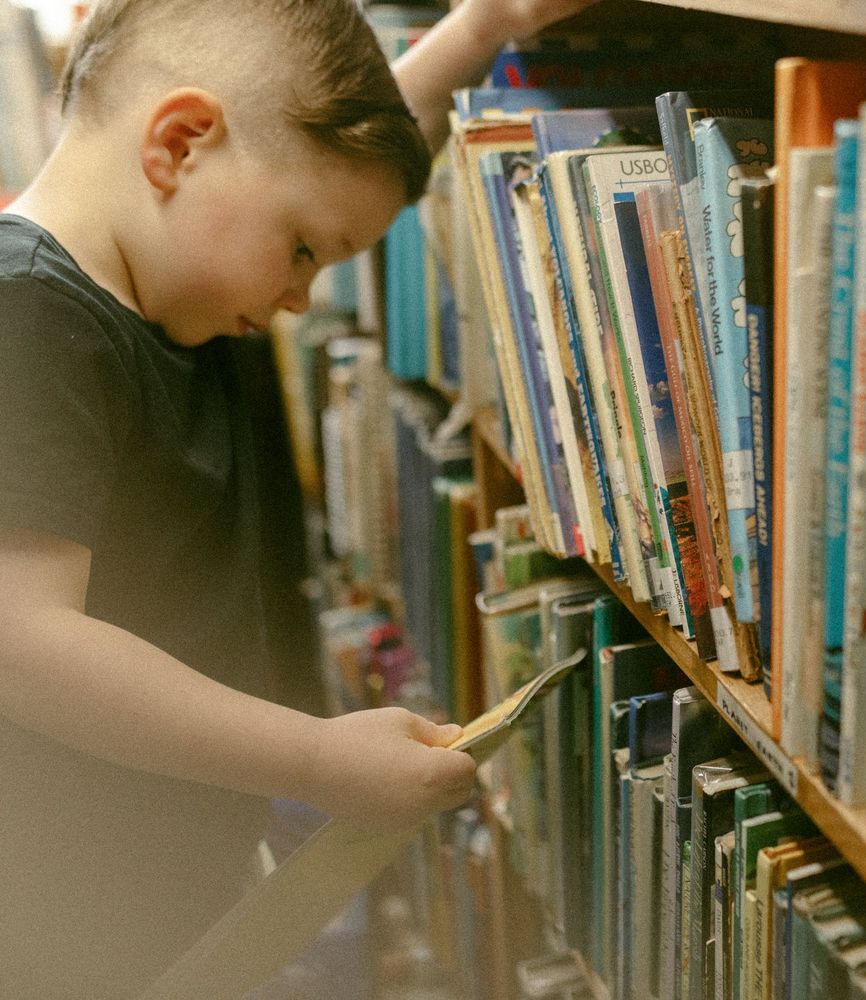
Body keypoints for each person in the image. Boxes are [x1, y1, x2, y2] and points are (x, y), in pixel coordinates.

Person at [0, 0, 591, 995]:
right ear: (178, 144)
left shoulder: (176, 264)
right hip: (73, 929)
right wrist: (315, 759)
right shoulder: (28, 314)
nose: (300, 298)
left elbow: (300, 150)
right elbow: (23, 641)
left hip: (171, 894)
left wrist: (482, 28)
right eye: (306, 252)